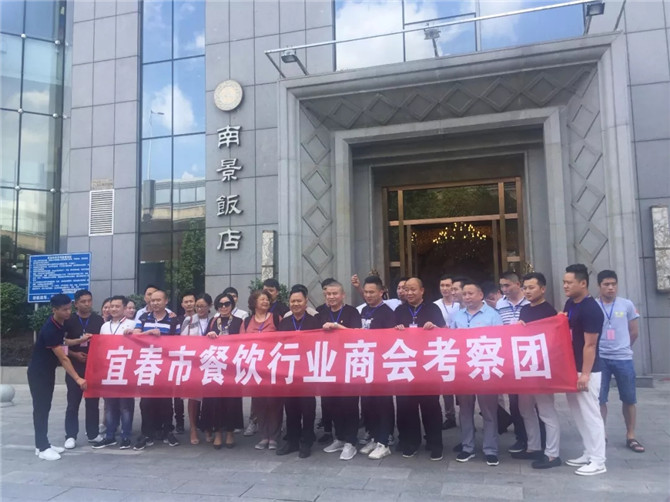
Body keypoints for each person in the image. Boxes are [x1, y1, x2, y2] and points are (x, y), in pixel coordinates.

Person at [28, 294, 89, 460]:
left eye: (69, 308)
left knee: (45, 407)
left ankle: (42, 444)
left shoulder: (59, 323)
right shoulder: (50, 329)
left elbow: (64, 342)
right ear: (54, 310)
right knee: (41, 409)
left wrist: (81, 340)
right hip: (39, 373)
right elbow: (63, 358)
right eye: (64, 310)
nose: (68, 312)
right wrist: (78, 378)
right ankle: (42, 448)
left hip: (48, 371)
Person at [451, 280, 503, 466]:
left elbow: (501, 341)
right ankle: (467, 447)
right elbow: (451, 340)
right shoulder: (457, 316)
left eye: (470, 293)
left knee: (489, 411)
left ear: (481, 295)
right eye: (464, 294)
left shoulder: (493, 315)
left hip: (485, 368)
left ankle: (491, 449)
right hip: (464, 370)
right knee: (465, 411)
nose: (466, 297)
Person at [562, 264, 607, 476]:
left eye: (569, 282)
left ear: (583, 283)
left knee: (591, 414)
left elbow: (590, 345)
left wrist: (585, 374)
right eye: (564, 282)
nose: (565, 286)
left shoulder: (591, 309)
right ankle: (588, 452)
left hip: (587, 370)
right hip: (571, 368)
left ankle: (598, 461)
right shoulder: (570, 303)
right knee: (578, 413)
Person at [394, 277, 445, 461]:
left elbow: (444, 333)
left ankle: (435, 443)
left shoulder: (433, 309)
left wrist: (435, 328)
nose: (409, 293)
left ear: (422, 290)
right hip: (406, 365)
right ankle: (411, 442)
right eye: (406, 289)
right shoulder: (399, 310)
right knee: (407, 406)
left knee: (430, 406)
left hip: (427, 365)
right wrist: (396, 330)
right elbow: (389, 337)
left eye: (413, 289)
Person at [516, 273, 562, 469]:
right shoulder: (525, 310)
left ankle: (552, 454)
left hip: (543, 368)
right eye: (525, 288)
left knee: (546, 411)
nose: (527, 291)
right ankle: (533, 447)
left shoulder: (550, 312)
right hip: (526, 366)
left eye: (531, 287)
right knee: (525, 408)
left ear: (543, 289)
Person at [596, 270, 644, 453]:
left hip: (623, 358)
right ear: (599, 286)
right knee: (600, 398)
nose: (610, 288)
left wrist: (624, 347)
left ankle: (631, 435)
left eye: (613, 284)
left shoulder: (627, 305)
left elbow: (634, 332)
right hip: (601, 358)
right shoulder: (594, 306)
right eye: (606, 284)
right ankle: (601, 434)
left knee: (629, 398)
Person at [276, 285, 322, 458]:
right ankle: (292, 440)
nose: (295, 304)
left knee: (307, 407)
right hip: (289, 371)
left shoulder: (314, 321)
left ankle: (307, 440)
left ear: (306, 301)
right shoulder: (285, 322)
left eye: (299, 301)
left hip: (307, 370)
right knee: (291, 407)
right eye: (293, 301)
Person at [133, 289, 181, 450]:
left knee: (166, 401)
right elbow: (135, 336)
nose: (155, 303)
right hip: (146, 364)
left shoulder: (173, 320)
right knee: (146, 401)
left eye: (158, 300)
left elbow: (178, 342)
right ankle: (147, 433)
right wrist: (149, 333)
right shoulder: (143, 317)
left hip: (165, 365)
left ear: (166, 301)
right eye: (152, 300)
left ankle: (167, 431)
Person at [319, 280, 362, 461]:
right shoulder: (321, 312)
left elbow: (357, 334)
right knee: (333, 404)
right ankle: (340, 438)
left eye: (335, 293)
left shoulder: (352, 312)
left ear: (343, 295)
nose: (331, 297)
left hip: (348, 364)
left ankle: (351, 442)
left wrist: (337, 327)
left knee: (349, 404)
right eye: (328, 294)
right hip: (328, 364)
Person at [358, 276, 396, 460]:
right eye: (366, 292)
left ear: (381, 292)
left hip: (381, 364)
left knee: (383, 403)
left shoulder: (387, 312)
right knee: (368, 403)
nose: (368, 295)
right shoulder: (364, 310)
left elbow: (391, 339)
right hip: (366, 363)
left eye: (372, 292)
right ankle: (373, 437)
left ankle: (384, 442)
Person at [200, 293, 244, 449]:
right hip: (215, 366)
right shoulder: (213, 321)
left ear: (232, 305)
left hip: (232, 366)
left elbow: (245, 341)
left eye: (227, 304)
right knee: (215, 400)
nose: (224, 307)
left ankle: (230, 432)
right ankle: (217, 432)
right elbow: (203, 342)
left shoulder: (239, 321)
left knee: (232, 400)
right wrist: (209, 336)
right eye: (220, 304)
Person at [92, 296, 136, 449]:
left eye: (118, 306)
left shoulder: (132, 324)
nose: (114, 309)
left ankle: (126, 436)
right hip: (108, 370)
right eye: (112, 306)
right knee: (110, 405)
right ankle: (110, 435)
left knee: (125, 405)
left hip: (126, 370)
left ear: (124, 308)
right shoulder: (104, 326)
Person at [242, 290, 283, 450]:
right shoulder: (247, 322)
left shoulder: (276, 319)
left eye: (267, 299)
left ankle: (274, 436)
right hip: (255, 368)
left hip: (273, 367)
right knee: (259, 403)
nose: (265, 302)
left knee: (274, 402)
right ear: (254, 303)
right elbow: (240, 343)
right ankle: (263, 436)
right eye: (262, 299)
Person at [63, 289, 104, 449]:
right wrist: (74, 354)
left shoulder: (98, 320)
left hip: (93, 368)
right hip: (74, 367)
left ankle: (93, 434)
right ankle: (70, 435)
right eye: (83, 301)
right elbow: (60, 345)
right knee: (73, 403)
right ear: (76, 303)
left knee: (93, 402)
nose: (87, 304)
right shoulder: (69, 320)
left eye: (89, 301)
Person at [496, 271, 530, 453]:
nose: (504, 289)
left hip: (528, 356)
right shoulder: (500, 304)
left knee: (531, 401)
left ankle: (536, 437)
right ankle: (520, 436)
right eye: (502, 286)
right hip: (509, 357)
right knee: (514, 400)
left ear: (518, 284)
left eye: (507, 285)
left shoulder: (530, 302)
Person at [180, 293, 213, 445]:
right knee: (193, 397)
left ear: (209, 306)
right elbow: (182, 340)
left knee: (208, 397)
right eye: (197, 306)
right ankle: (193, 428)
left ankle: (207, 427)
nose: (200, 309)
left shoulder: (215, 320)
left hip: (210, 361)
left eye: (203, 306)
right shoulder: (189, 320)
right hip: (193, 362)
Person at [433, 274, 460, 431]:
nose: (445, 288)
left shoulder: (461, 304)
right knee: (446, 383)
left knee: (463, 381)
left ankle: (466, 415)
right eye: (442, 285)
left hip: (461, 346)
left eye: (448, 285)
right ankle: (450, 416)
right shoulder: (435, 305)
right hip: (443, 347)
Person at [172, 291, 197, 435]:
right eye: (186, 302)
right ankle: (179, 422)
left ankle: (196, 422)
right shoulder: (177, 320)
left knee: (196, 393)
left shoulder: (201, 319)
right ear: (182, 304)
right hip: (180, 360)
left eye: (191, 301)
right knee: (178, 393)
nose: (188, 304)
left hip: (196, 360)